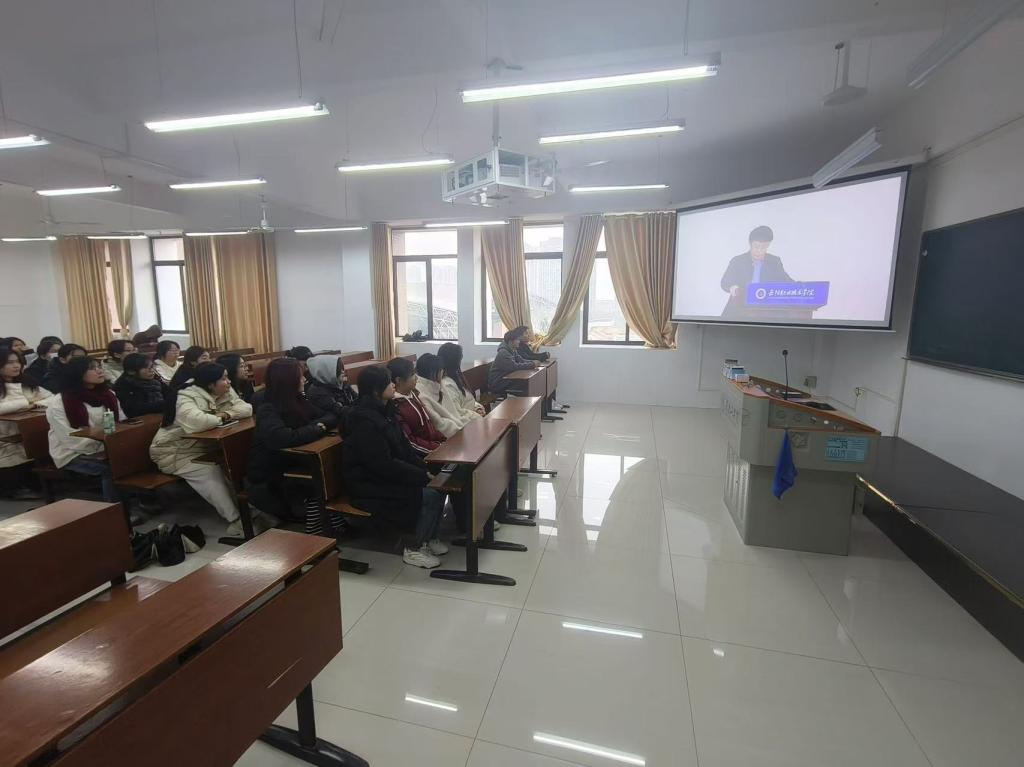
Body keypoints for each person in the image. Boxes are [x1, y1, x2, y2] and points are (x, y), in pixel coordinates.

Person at [341, 365, 447, 568]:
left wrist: (424, 470)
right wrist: (420, 476)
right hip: (367, 483)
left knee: (439, 484)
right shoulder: (362, 420)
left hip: (386, 475)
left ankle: (429, 538)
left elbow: (405, 449)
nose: (393, 385)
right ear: (375, 390)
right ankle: (414, 547)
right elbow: (382, 464)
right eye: (388, 382)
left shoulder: (387, 410)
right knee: (428, 494)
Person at [150, 362, 264, 536]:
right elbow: (199, 422)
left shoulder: (224, 390)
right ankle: (236, 520)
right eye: (223, 378)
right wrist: (221, 417)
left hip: (204, 446)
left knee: (232, 465)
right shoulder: (186, 396)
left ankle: (249, 509)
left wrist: (225, 414)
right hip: (175, 452)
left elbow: (246, 408)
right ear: (211, 384)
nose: (228, 382)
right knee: (210, 471)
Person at [246, 358, 337, 533]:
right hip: (271, 472)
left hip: (293, 459)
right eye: (300, 376)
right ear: (287, 381)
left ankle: (332, 520)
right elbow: (283, 438)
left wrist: (315, 427)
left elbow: (330, 416)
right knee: (323, 472)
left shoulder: (298, 400)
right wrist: (316, 428)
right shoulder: (267, 408)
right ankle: (318, 527)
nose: (304, 380)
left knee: (332, 462)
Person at [46, 356, 123, 504]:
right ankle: (113, 508)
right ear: (77, 373)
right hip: (72, 452)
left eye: (99, 366)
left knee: (135, 455)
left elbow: (121, 421)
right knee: (110, 467)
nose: (99, 371)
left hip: (104, 445)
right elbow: (69, 438)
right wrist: (103, 447)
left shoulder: (108, 394)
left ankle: (139, 500)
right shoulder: (60, 402)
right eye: (92, 368)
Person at [0, 345, 49, 499]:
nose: (16, 366)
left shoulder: (27, 382)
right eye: (10, 363)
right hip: (4, 437)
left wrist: (34, 404)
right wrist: (26, 404)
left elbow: (52, 398)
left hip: (28, 432)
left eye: (18, 362)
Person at [719, 225, 794, 316]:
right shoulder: (738, 261)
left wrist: (802, 288)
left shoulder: (774, 262)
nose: (759, 251)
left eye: (763, 247)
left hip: (767, 311)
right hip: (739, 309)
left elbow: (787, 282)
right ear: (750, 244)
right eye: (756, 247)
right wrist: (732, 286)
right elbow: (725, 282)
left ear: (768, 245)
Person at [387, 356, 445, 455]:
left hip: (434, 447)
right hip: (424, 456)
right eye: (412, 375)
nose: (416, 378)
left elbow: (430, 425)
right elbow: (410, 442)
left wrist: (444, 441)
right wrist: (438, 450)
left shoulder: (413, 393)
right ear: (399, 380)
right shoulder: (395, 406)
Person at [414, 353, 469, 437]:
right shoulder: (420, 393)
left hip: (456, 426)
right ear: (432, 372)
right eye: (440, 370)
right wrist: (462, 430)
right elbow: (439, 423)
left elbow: (455, 410)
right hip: (447, 435)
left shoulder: (438, 384)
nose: (442, 372)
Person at [437, 342, 485, 422]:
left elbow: (467, 399)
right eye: (459, 360)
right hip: (465, 424)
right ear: (454, 362)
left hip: (471, 417)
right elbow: (456, 413)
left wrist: (477, 408)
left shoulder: (455, 378)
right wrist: (475, 415)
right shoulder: (446, 385)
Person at [112, 353, 167, 418]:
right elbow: (134, 410)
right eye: (146, 368)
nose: (152, 370)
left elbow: (170, 393)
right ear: (131, 371)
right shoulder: (123, 386)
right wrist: (166, 404)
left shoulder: (154, 380)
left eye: (152, 366)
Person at [488, 327, 538, 396]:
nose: (519, 342)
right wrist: (532, 364)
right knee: (525, 384)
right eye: (517, 340)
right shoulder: (503, 353)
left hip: (506, 379)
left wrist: (533, 362)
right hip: (498, 383)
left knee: (528, 383)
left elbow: (521, 360)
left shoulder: (512, 350)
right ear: (510, 342)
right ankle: (523, 402)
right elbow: (514, 367)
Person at [306, 354, 357, 421]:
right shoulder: (317, 392)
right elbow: (339, 410)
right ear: (326, 371)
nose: (343, 371)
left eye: (342, 368)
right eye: (338, 369)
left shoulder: (340, 383)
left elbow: (357, 397)